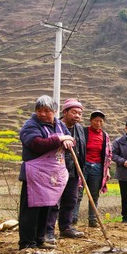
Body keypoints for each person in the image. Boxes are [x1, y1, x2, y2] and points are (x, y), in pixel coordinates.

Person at [18, 95, 74, 250]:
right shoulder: (30, 126)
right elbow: (36, 144)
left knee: (46, 207)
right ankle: (27, 243)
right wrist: (60, 139)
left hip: (51, 175)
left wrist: (69, 140)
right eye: (39, 110)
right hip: (34, 175)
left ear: (54, 111)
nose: (42, 114)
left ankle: (40, 239)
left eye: (47, 111)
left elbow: (69, 139)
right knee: (31, 210)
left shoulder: (59, 125)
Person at [45, 98, 87, 243]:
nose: (77, 116)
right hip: (57, 170)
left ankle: (66, 228)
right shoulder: (55, 127)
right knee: (53, 201)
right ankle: (48, 231)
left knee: (71, 200)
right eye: (74, 112)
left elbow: (82, 149)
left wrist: (81, 168)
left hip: (74, 170)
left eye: (80, 113)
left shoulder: (80, 129)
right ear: (65, 112)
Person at [73, 110, 112, 228]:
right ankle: (73, 219)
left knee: (94, 195)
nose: (98, 123)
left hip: (98, 168)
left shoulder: (105, 136)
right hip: (83, 166)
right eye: (96, 121)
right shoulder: (83, 132)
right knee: (77, 193)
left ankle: (92, 220)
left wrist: (107, 170)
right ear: (91, 121)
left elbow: (108, 154)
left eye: (101, 121)